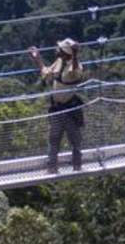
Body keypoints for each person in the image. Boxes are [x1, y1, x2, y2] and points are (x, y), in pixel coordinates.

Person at [30, 37, 87, 173]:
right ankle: (52, 168)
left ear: (65, 52)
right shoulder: (60, 61)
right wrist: (37, 59)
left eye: (59, 49)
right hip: (57, 108)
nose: (56, 50)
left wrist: (74, 55)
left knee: (75, 140)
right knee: (54, 139)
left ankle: (77, 167)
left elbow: (74, 72)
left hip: (70, 109)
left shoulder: (75, 66)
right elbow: (46, 74)